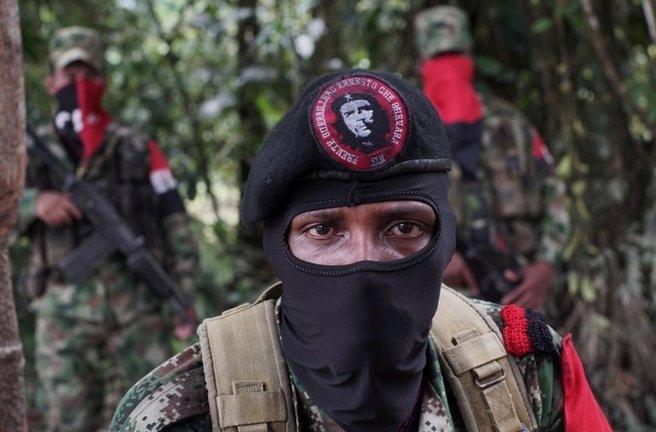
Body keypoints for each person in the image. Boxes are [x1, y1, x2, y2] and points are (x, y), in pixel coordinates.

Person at [110, 70, 610, 432]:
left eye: (404, 227)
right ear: (279, 246)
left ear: (444, 238)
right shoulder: (179, 414)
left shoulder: (526, 371)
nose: (364, 262)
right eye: (324, 231)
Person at [17, 26, 199, 431]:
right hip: (63, 316)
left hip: (137, 313)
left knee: (153, 419)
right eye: (69, 76)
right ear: (51, 83)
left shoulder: (137, 146)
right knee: (69, 423)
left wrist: (182, 295)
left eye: (89, 75)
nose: (79, 85)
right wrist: (34, 203)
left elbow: (175, 221)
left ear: (103, 81)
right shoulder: (26, 151)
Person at [415, 6, 571, 309]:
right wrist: (433, 253)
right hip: (448, 304)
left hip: (523, 288)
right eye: (437, 59)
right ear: (422, 64)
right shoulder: (409, 133)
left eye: (455, 55)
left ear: (470, 58)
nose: (447, 68)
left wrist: (546, 265)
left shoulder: (511, 124)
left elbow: (555, 194)